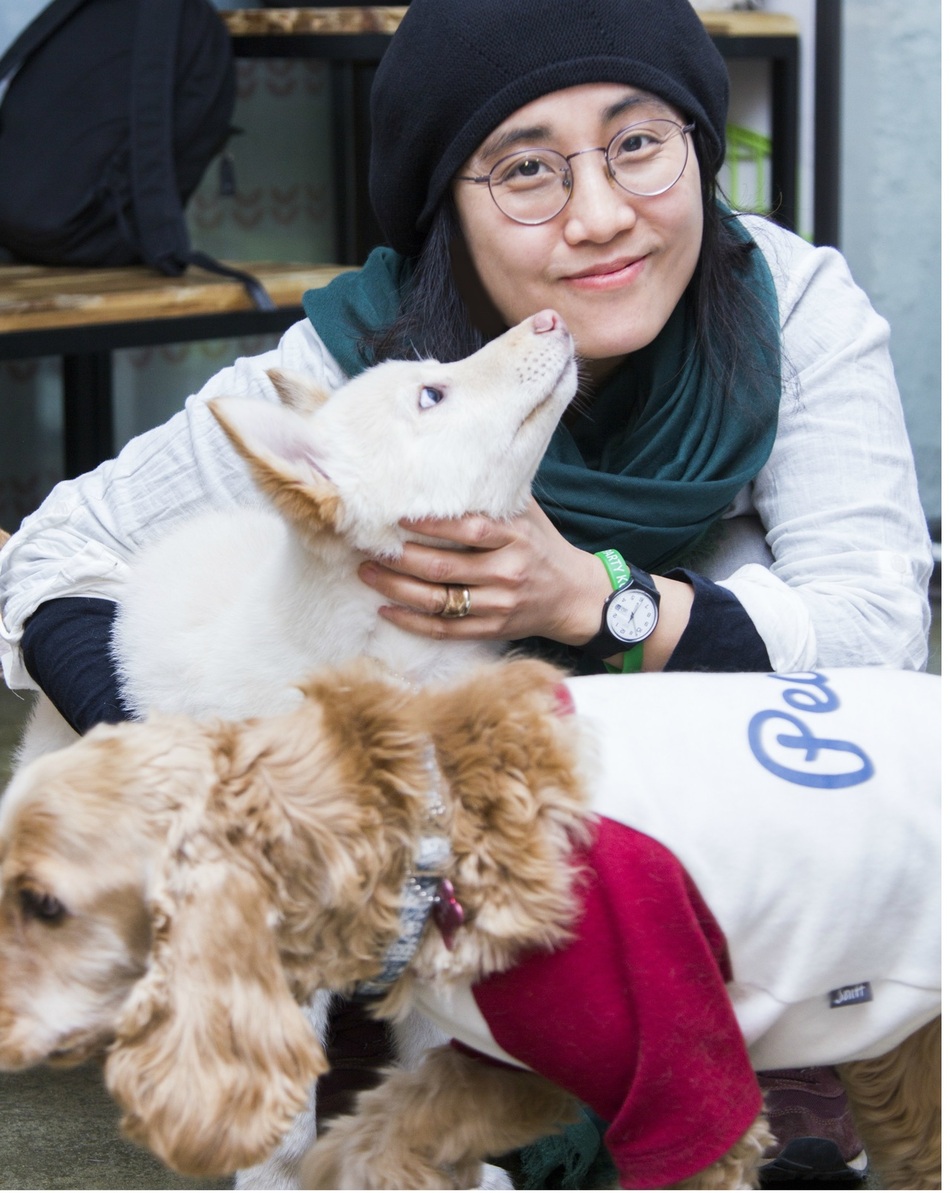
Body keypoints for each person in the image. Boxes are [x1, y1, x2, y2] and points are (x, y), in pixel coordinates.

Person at [0, 0, 932, 1186]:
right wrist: (217, 778)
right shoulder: (361, 362)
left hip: (698, 821)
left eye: (638, 143)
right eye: (526, 170)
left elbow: (873, 645)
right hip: (420, 857)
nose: (598, 217)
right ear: (448, 196)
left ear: (695, 145)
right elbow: (54, 551)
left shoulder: (789, 310)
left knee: (800, 1054)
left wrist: (595, 600)